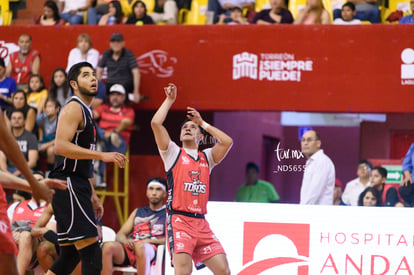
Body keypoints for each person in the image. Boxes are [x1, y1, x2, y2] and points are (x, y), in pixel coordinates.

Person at [47, 62, 127, 275]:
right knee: (92, 253)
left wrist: (91, 193)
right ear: (74, 83)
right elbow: (60, 146)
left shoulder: (87, 111)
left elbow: (83, 163)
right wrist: (102, 154)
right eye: (85, 75)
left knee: (70, 256)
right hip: (68, 183)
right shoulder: (74, 107)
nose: (93, 78)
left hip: (75, 184)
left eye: (93, 75)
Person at [151, 83, 233, 274]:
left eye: (193, 127)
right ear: (180, 135)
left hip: (201, 223)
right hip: (179, 220)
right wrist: (169, 100)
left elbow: (227, 141)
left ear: (200, 136)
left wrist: (202, 123)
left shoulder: (207, 157)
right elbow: (155, 124)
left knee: (224, 270)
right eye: (185, 127)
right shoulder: (172, 152)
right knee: (183, 272)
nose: (188, 128)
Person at [0, 105, 66, 275]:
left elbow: (7, 142)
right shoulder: (18, 206)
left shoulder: (53, 206)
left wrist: (33, 184)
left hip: (35, 242)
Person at [101, 177, 167, 275]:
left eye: (158, 189)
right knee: (107, 246)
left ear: (165, 194)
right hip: (132, 248)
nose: (154, 192)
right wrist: (126, 241)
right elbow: (120, 235)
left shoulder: (168, 214)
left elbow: (171, 239)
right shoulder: (138, 212)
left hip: (152, 250)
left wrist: (149, 241)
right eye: (151, 189)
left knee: (142, 247)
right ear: (146, 192)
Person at [93, 83, 135, 187]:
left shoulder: (128, 111)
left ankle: (99, 178)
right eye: (112, 94)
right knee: (94, 131)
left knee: (99, 145)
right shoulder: (103, 108)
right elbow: (91, 115)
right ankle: (99, 179)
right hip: (103, 140)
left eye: (118, 95)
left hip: (119, 143)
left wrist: (114, 133)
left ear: (123, 97)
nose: (115, 97)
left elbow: (126, 122)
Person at [7, 171, 47, 275]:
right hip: (14, 243)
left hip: (36, 246)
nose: (35, 183)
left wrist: (25, 232)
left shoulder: (50, 207)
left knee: (25, 235)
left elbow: (49, 233)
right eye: (32, 181)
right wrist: (11, 235)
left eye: (39, 181)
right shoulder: (15, 206)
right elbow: (5, 229)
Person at [97, 32, 141, 103]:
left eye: (118, 41)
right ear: (110, 44)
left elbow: (136, 72)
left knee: (120, 92)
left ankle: (123, 112)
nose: (115, 43)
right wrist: (97, 87)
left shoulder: (128, 54)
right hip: (110, 83)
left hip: (125, 84)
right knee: (99, 94)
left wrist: (136, 91)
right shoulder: (107, 53)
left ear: (123, 43)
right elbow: (99, 70)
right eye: (113, 41)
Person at [300, 130, 335, 205]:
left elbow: (314, 193)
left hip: (318, 213)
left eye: (309, 140)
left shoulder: (322, 161)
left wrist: (302, 212)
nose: (305, 143)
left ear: (318, 143)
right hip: (310, 212)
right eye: (303, 140)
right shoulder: (312, 162)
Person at [0, 110, 39, 177]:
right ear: (10, 121)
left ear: (24, 121)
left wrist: (17, 173)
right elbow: (1, 156)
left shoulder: (31, 137)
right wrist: (6, 173)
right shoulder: (6, 137)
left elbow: (32, 162)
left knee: (36, 176)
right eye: (14, 118)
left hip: (25, 170)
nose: (16, 120)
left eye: (19, 118)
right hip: (8, 169)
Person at [38, 99, 60, 173]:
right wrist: (40, 143)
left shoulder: (60, 121)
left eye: (50, 106)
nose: (47, 109)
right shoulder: (42, 119)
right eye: (46, 107)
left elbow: (59, 138)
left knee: (50, 150)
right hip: (44, 142)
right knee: (33, 148)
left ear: (57, 109)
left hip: (55, 143)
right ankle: (37, 172)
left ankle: (49, 172)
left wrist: (46, 145)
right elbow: (40, 131)